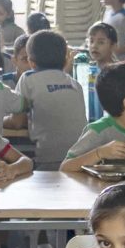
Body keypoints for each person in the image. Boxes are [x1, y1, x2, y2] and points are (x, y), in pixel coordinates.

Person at [14, 31, 88, 161]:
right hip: (77, 161)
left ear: (31, 62)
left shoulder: (28, 79)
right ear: (66, 60)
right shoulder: (75, 84)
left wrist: (0, 119)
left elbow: (17, 122)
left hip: (45, 160)